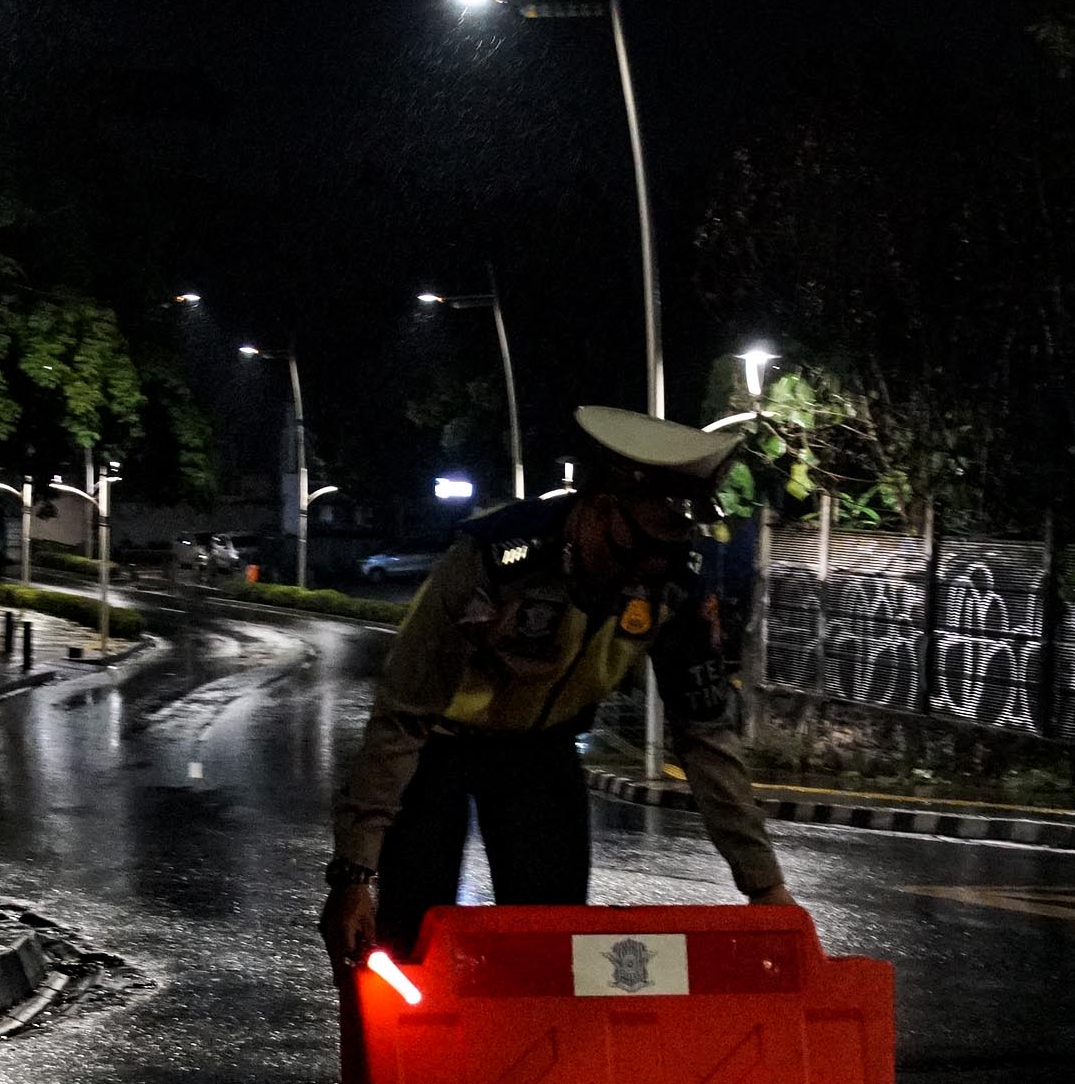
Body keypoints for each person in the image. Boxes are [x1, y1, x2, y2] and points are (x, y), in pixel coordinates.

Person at [319, 405, 792, 966]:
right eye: (634, 548)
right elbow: (402, 716)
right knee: (410, 941)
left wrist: (765, 885)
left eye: (661, 555)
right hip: (436, 745)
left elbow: (706, 734)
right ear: (598, 506)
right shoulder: (494, 560)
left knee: (554, 946)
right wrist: (354, 874)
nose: (640, 575)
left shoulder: (673, 583)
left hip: (540, 752)